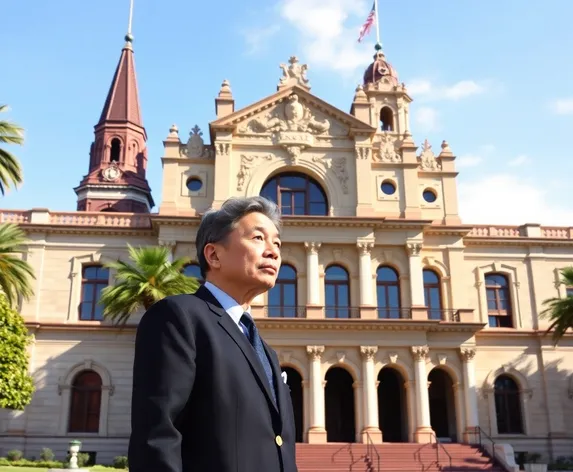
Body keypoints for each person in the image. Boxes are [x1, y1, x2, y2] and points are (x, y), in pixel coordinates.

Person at [128, 196, 298, 472]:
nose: (274, 252)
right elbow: (157, 437)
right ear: (214, 255)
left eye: (277, 243)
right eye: (258, 238)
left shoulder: (265, 350)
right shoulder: (178, 317)